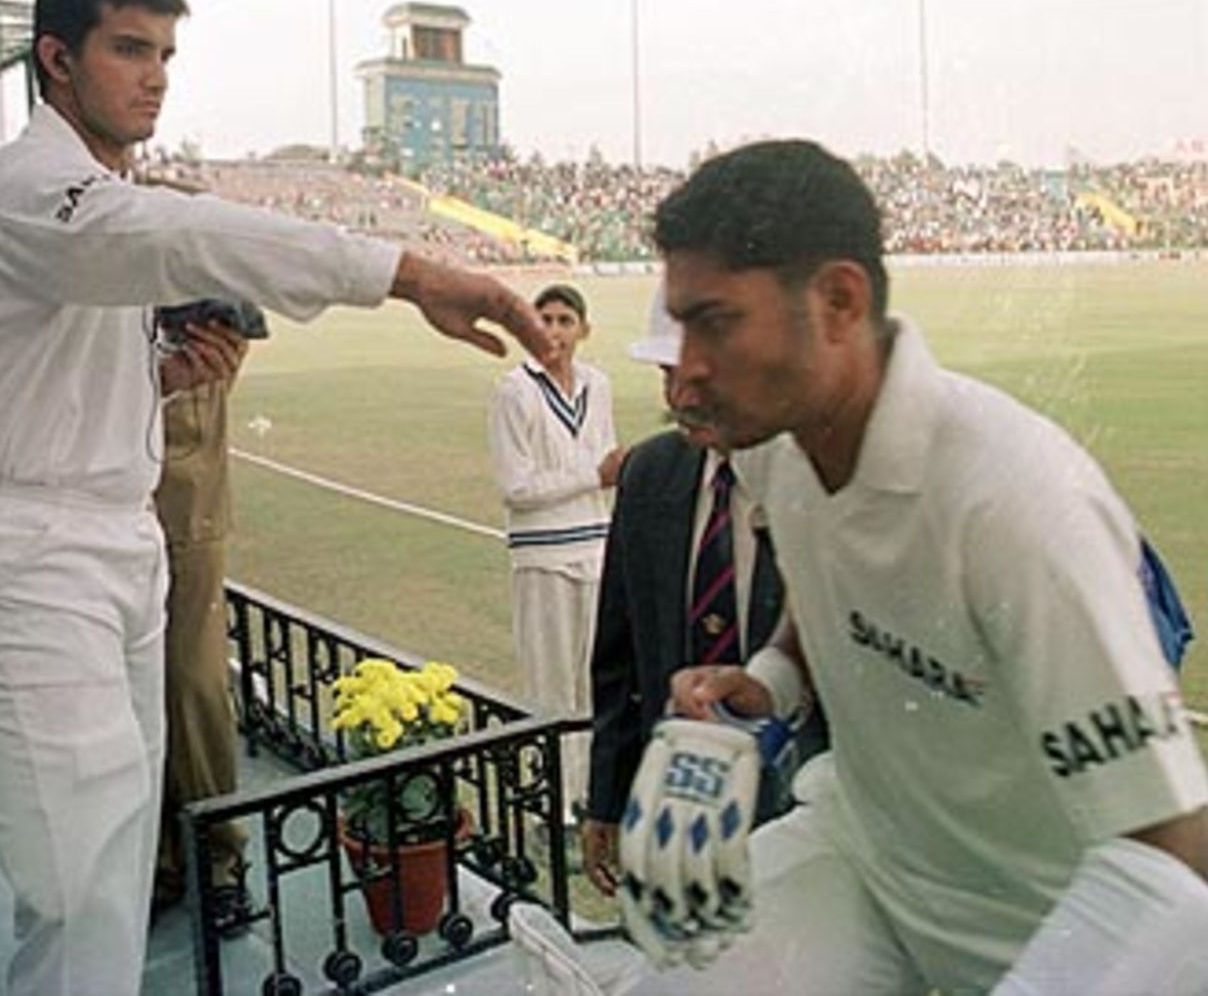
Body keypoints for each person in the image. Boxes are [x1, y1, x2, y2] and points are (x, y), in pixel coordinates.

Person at [0, 0, 548, 996]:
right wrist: (410, 273)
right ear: (56, 60)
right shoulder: (34, 184)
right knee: (75, 893)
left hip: (111, 547)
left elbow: (60, 360)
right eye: (129, 48)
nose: (155, 74)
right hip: (33, 562)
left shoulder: (94, 195)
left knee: (114, 881)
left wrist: (159, 373)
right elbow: (180, 233)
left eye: (165, 51)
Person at [620, 139, 1208, 993]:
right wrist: (773, 676)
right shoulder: (775, 447)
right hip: (864, 855)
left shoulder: (1014, 502)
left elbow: (1170, 838)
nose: (686, 374)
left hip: (1041, 925)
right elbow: (835, 584)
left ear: (838, 301)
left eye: (715, 323)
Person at [582, 284, 825, 897]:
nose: (679, 397)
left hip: (803, 812)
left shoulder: (827, 482)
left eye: (702, 376)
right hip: (672, 805)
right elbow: (618, 654)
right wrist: (607, 797)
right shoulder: (649, 473)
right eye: (668, 373)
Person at [489, 283, 625, 824]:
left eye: (565, 320)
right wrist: (593, 475)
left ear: (584, 329)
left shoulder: (599, 384)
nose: (554, 331)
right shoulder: (514, 391)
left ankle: (591, 800)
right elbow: (515, 487)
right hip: (542, 557)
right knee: (549, 686)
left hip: (596, 549)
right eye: (544, 319)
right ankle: (552, 807)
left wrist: (608, 478)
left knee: (595, 685)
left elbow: (609, 462)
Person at [151, 369, 249, 929]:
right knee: (132, 697)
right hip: (103, 514)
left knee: (195, 686)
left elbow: (228, 343)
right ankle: (160, 858)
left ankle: (219, 859)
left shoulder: (196, 297)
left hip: (187, 511)